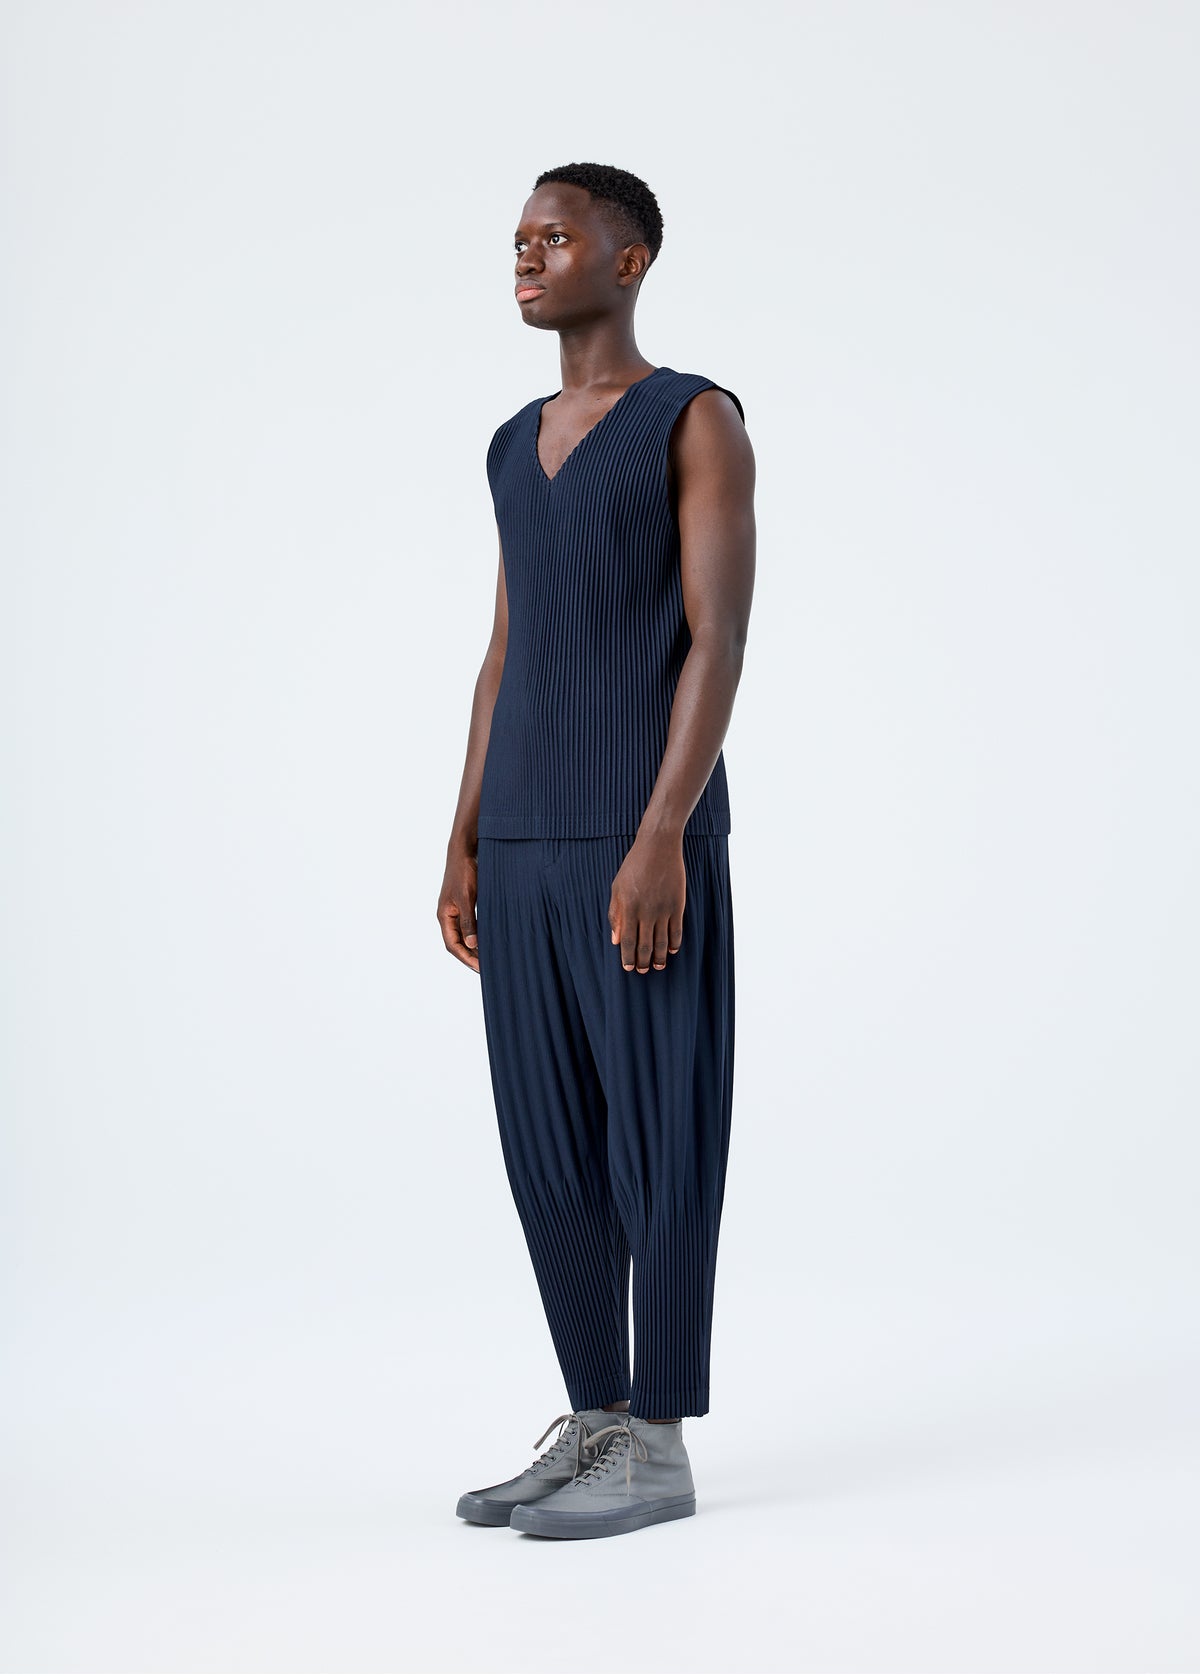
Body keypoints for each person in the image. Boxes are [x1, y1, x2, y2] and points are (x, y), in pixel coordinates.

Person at [438, 161, 756, 1540]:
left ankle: (661, 1442)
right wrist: (463, 840)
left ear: (628, 262)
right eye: (519, 238)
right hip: (523, 841)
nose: (526, 256)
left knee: (660, 1139)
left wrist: (664, 833)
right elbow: (505, 652)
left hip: (640, 845)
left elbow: (718, 639)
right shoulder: (513, 442)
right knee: (550, 1147)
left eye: (554, 238)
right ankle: (597, 1416)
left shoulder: (696, 417)